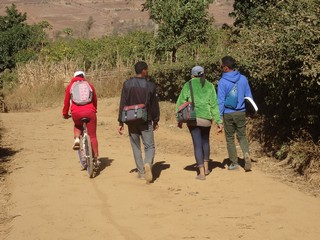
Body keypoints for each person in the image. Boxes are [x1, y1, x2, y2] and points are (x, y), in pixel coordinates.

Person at [176, 66, 223, 180]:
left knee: (197, 144)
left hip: (192, 119)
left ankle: (201, 173)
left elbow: (181, 102)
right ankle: (207, 168)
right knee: (205, 142)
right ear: (203, 74)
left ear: (192, 75)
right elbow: (214, 105)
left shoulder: (188, 85)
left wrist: (179, 119)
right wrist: (218, 121)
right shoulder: (210, 85)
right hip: (206, 119)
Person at [118, 61, 160, 183]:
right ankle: (148, 163)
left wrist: (120, 121)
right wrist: (156, 120)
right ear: (144, 71)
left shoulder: (126, 84)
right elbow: (154, 105)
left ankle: (141, 172)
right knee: (150, 146)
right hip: (145, 120)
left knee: (135, 146)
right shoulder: (150, 85)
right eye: (147, 70)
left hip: (130, 120)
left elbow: (122, 103)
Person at [217, 56, 253, 171]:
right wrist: (250, 111)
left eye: (222, 66)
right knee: (242, 136)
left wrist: (219, 118)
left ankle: (234, 163)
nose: (221, 68)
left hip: (228, 113)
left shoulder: (222, 82)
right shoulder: (243, 79)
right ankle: (246, 153)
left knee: (229, 138)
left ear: (226, 68)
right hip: (241, 112)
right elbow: (248, 97)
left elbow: (221, 101)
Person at [62, 71, 100, 167]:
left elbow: (66, 102)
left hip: (76, 113)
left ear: (74, 77)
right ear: (83, 77)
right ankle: (95, 158)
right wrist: (94, 109)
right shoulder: (89, 85)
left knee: (78, 125)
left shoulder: (70, 86)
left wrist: (65, 114)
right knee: (92, 136)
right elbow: (95, 99)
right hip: (90, 112)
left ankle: (77, 139)